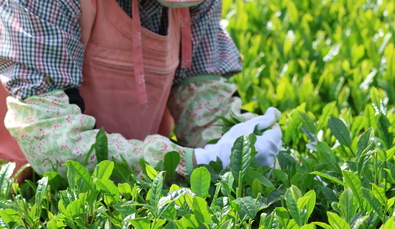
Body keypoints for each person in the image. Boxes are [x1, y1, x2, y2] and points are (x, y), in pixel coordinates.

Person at [0, 0, 282, 180]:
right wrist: (195, 161)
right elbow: (53, 145)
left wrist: (246, 146)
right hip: (26, 183)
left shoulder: (192, 2)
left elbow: (202, 97)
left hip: (139, 183)